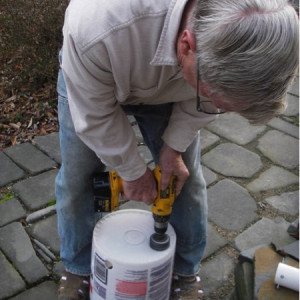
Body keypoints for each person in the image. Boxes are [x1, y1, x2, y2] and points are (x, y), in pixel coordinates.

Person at [56, 0, 299, 299]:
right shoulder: (97, 26)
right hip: (98, 73)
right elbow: (94, 117)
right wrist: (131, 171)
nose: (217, 106)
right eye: (214, 97)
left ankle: (184, 272)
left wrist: (173, 148)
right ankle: (77, 267)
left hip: (178, 86)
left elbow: (206, 103)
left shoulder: (248, 28)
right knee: (77, 177)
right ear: (187, 45)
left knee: (186, 178)